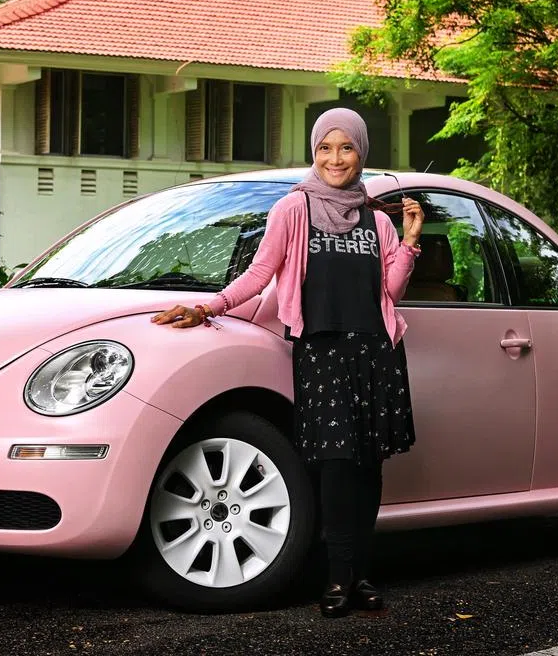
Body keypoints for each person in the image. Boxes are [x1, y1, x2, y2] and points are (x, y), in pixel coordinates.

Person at [152, 107, 424, 618]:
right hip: (322, 352)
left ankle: (362, 575)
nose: (334, 158)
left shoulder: (378, 219)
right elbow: (259, 274)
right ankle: (337, 579)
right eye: (325, 147)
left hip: (375, 352)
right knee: (336, 466)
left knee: (368, 467)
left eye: (345, 148)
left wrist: (409, 241)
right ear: (313, 152)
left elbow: (390, 291)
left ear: (361, 152)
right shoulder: (292, 210)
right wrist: (207, 307)